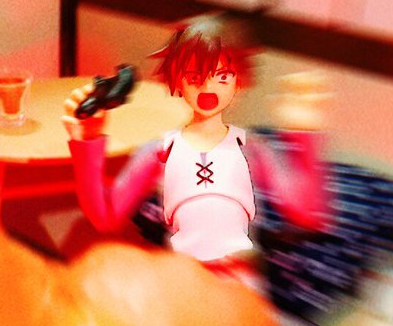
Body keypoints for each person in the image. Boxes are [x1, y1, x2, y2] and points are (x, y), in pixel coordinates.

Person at [63, 14, 330, 280]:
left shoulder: (252, 149)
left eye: (222, 77)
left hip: (238, 279)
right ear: (177, 80)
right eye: (194, 76)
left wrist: (304, 132)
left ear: (240, 82)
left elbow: (306, 213)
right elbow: (106, 217)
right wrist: (87, 140)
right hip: (183, 281)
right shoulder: (160, 151)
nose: (207, 88)